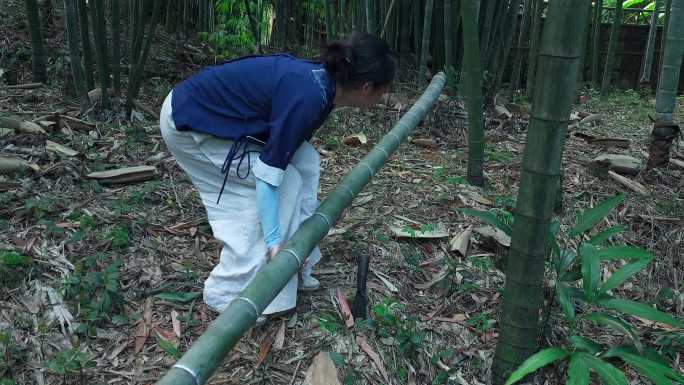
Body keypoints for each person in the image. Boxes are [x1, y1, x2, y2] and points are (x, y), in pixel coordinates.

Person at [159, 33, 396, 324]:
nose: (384, 97)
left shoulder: (323, 86)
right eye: (384, 90)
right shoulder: (309, 95)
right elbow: (269, 177)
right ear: (367, 87)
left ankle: (299, 259)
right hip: (187, 123)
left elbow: (290, 148)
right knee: (276, 191)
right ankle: (227, 293)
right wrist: (273, 240)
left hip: (215, 117)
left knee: (306, 161)